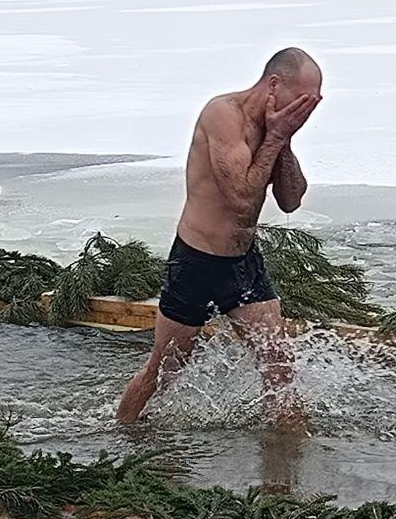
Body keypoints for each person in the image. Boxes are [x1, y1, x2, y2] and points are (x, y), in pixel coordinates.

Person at [114, 47, 324, 428]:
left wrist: (284, 141)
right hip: (197, 260)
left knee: (278, 365)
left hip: (243, 262)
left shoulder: (274, 130)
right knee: (165, 369)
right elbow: (241, 200)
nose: (304, 112)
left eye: (313, 105)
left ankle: (285, 469)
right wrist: (276, 136)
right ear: (274, 85)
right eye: (302, 101)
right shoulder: (223, 115)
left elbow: (290, 200)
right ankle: (121, 432)